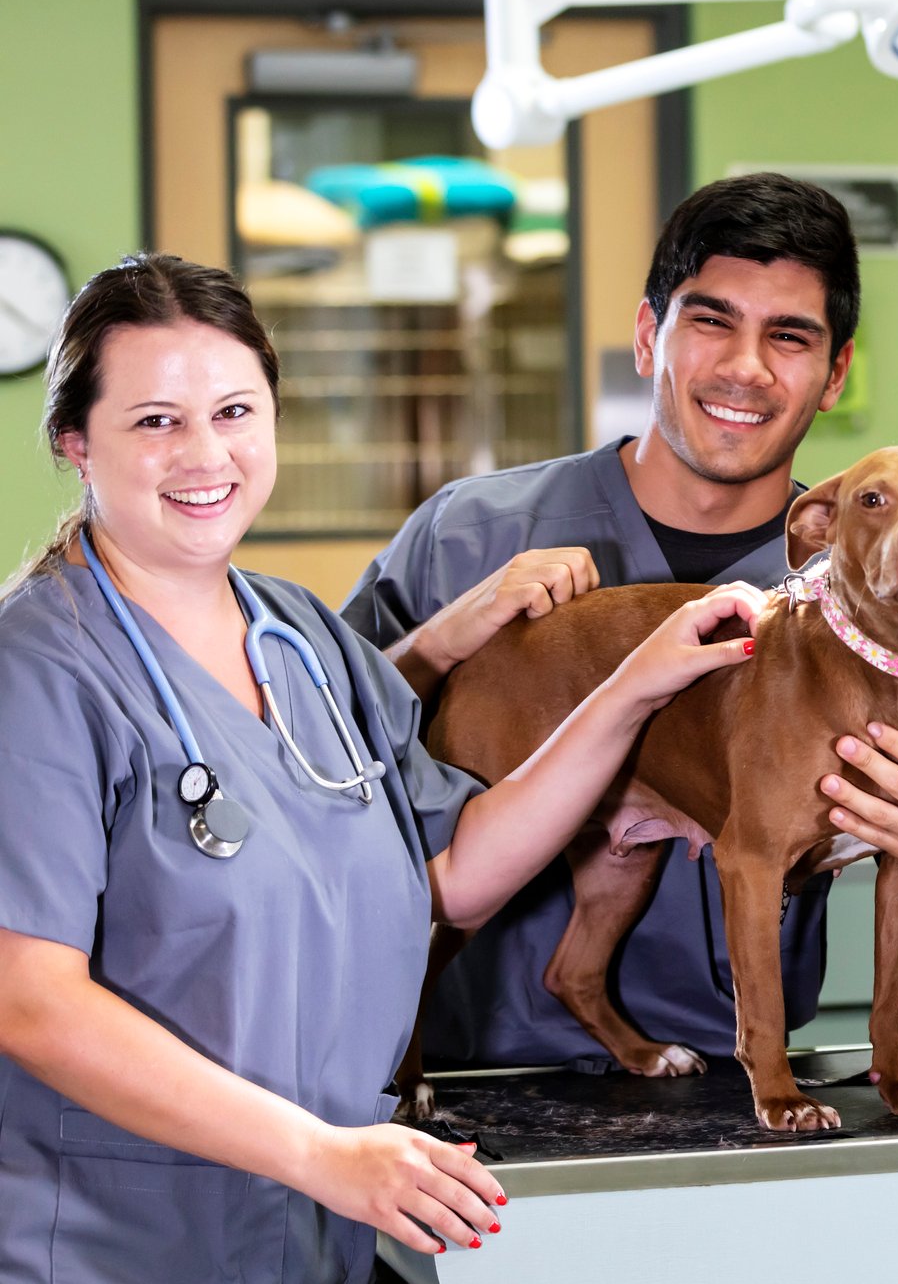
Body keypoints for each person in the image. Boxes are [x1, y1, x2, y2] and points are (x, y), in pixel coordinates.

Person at [0, 255, 770, 1281]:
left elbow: (453, 869)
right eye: (155, 421)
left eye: (235, 411)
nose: (204, 453)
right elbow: (29, 999)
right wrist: (321, 1155)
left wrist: (634, 685)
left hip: (312, 1236)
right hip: (120, 1241)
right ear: (74, 442)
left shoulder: (306, 641)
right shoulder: (38, 670)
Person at [340, 172, 898, 1069]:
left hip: (721, 1091)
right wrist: (439, 641)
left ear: (833, 373)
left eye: (789, 337)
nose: (745, 366)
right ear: (646, 334)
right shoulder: (471, 535)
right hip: (452, 1078)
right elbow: (311, 759)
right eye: (710, 321)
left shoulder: (864, 578)